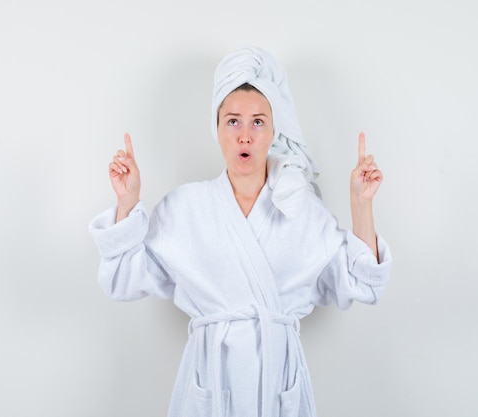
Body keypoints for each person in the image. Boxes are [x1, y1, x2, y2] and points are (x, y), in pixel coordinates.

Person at [88, 45, 391, 417]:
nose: (245, 135)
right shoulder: (184, 208)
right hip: (209, 383)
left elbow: (363, 283)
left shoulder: (303, 211)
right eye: (233, 121)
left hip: (279, 385)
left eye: (258, 122)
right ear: (216, 129)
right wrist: (127, 200)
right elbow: (121, 279)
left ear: (274, 131)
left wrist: (361, 202)